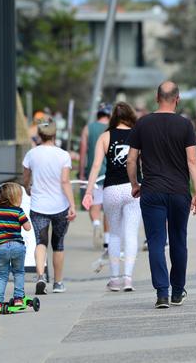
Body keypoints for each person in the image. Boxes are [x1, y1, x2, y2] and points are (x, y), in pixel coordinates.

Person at [127, 81, 196, 309]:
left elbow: (131, 159)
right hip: (179, 192)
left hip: (152, 190)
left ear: (156, 97)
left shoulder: (143, 124)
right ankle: (178, 291)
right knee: (179, 240)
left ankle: (162, 293)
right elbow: (192, 160)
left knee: (157, 242)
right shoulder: (185, 125)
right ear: (177, 99)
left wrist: (135, 183)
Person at [83, 102, 142, 292]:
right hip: (134, 188)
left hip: (111, 189)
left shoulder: (104, 136)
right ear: (131, 116)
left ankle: (115, 278)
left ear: (113, 117)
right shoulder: (138, 135)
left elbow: (95, 166)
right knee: (131, 234)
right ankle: (128, 278)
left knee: (115, 234)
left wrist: (89, 191)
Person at [23, 117, 76, 294]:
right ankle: (58, 283)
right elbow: (65, 181)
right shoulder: (63, 155)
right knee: (58, 243)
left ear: (39, 134)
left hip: (38, 205)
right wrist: (72, 205)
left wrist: (27, 187)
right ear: (55, 134)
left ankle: (40, 276)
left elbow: (25, 177)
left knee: (41, 241)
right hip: (60, 205)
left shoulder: (32, 154)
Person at [0, 183, 32, 314]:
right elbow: (28, 227)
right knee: (19, 273)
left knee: (2, 276)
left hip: (1, 247)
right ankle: (18, 299)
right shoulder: (18, 211)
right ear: (14, 198)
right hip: (17, 246)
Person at [79, 103, 111, 249]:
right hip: (111, 173)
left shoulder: (88, 128)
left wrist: (81, 172)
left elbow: (83, 152)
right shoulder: (113, 128)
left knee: (94, 204)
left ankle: (96, 223)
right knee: (109, 208)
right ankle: (107, 240)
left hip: (94, 173)